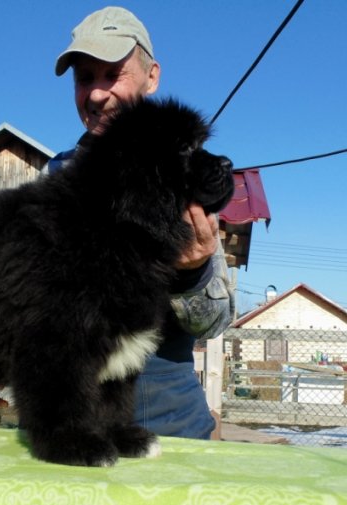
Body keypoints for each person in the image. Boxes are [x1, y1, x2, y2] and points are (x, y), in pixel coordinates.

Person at [49, 6, 235, 439]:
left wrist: (192, 274)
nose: (96, 94)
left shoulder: (183, 176)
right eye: (84, 78)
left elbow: (216, 321)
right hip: (68, 427)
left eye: (112, 74)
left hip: (170, 428)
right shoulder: (54, 177)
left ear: (152, 77)